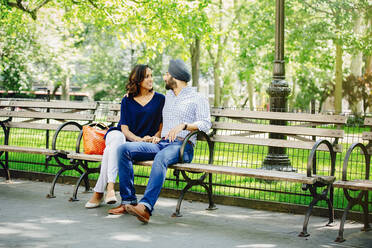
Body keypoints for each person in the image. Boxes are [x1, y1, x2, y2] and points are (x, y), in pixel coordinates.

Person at [108, 59, 211, 223]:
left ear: (175, 77)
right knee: (124, 149)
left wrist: (185, 125)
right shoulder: (167, 97)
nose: (163, 78)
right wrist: (130, 95)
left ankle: (146, 207)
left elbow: (206, 124)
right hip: (162, 143)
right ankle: (128, 201)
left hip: (183, 146)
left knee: (161, 157)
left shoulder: (198, 98)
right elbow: (147, 103)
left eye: (167, 74)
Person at [85, 64, 165, 208]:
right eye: (147, 76)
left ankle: (99, 192)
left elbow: (161, 125)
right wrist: (139, 140)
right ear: (138, 79)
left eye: (151, 76)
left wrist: (154, 137)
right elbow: (124, 129)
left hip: (138, 144)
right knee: (117, 140)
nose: (151, 79)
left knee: (111, 151)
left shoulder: (160, 99)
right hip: (120, 135)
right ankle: (110, 188)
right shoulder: (127, 100)